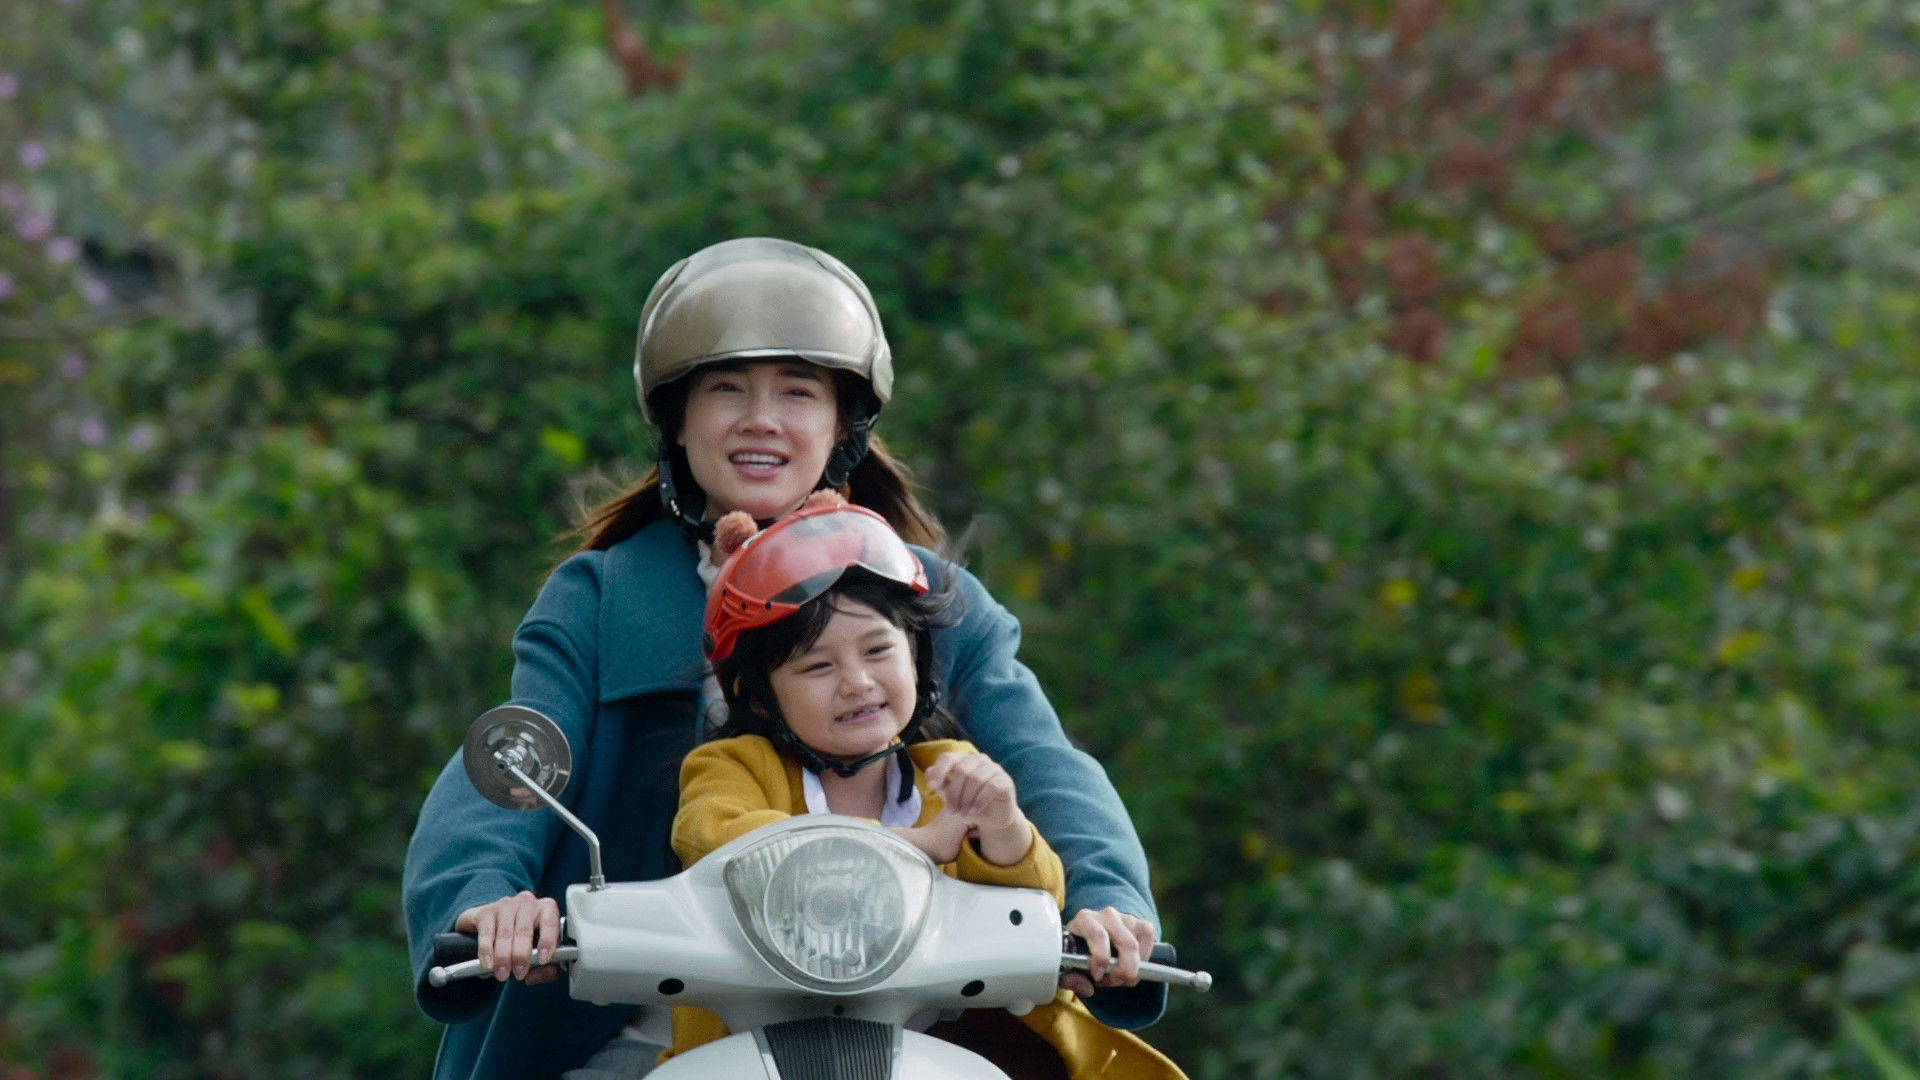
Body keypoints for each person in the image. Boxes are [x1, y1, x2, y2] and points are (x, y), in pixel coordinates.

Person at [402, 237, 1164, 1079]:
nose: (761, 419)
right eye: (726, 389)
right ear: (677, 422)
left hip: (915, 1023)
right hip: (639, 1034)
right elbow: (516, 759)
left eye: (798, 391)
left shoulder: (926, 597)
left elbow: (1044, 762)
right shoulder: (601, 597)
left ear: (843, 426)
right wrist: (484, 896)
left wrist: (1107, 899)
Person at [662, 496, 1185, 1078]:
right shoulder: (732, 767)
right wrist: (915, 847)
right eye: (817, 666)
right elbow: (719, 839)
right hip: (752, 1059)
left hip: (936, 1057)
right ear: (759, 697)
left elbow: (1033, 901)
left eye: (878, 650)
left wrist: (1003, 826)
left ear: (916, 657)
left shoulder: (950, 770)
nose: (857, 682)